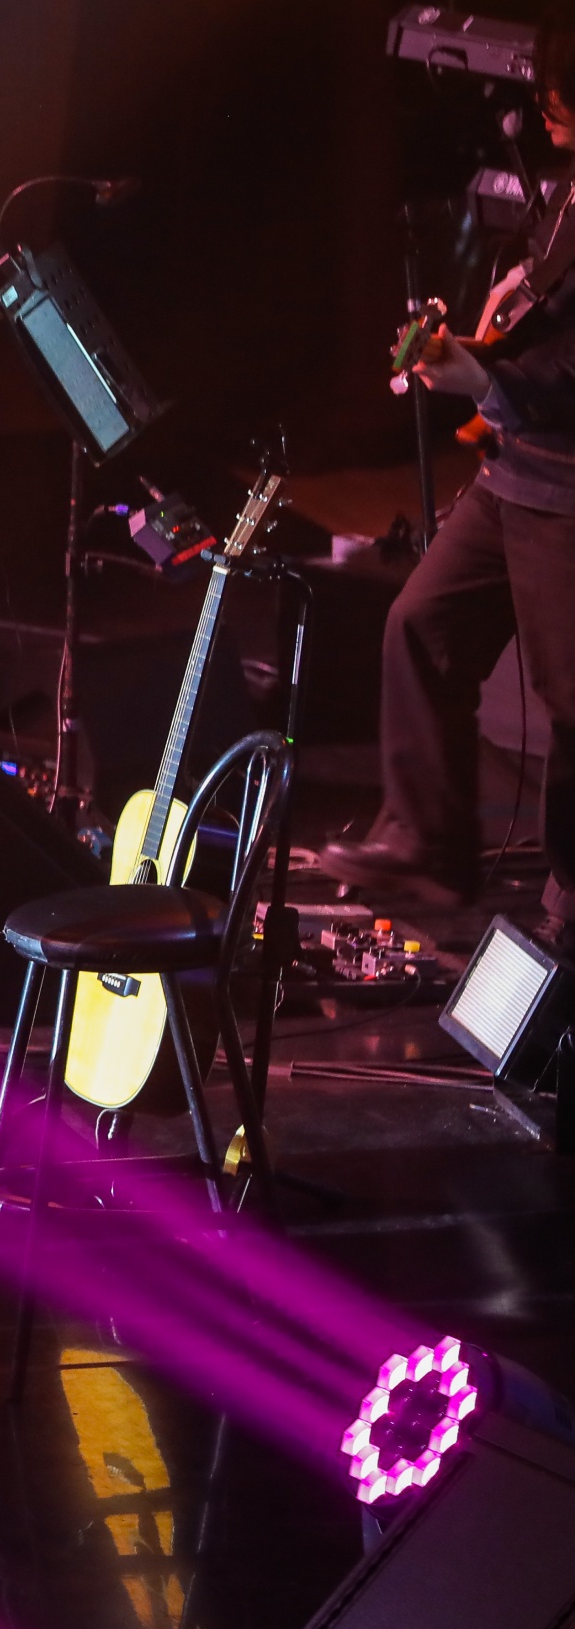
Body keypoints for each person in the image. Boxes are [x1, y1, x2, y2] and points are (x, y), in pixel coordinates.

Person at [323, 16, 575, 950]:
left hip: (566, 492)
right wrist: (478, 345)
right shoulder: (567, 187)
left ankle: (568, 906)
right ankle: (428, 844)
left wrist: (486, 379)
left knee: (570, 705)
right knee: (421, 624)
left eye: (559, 90)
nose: (542, 105)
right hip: (518, 473)